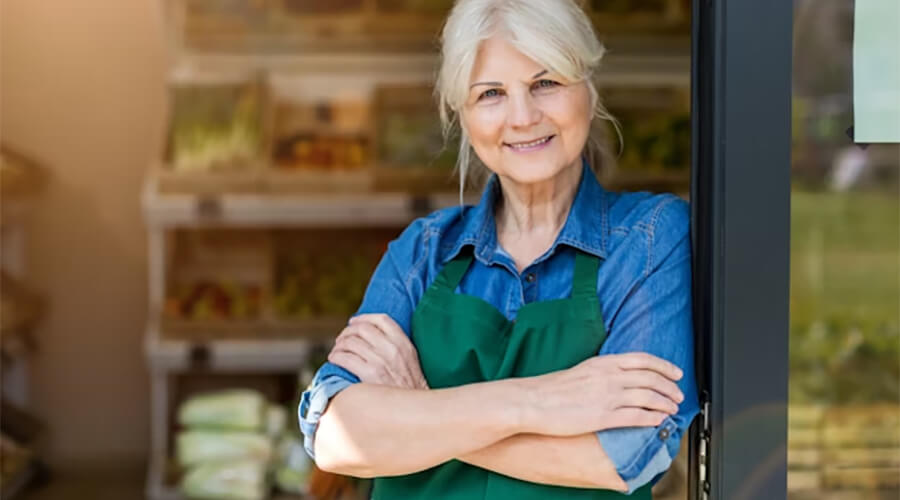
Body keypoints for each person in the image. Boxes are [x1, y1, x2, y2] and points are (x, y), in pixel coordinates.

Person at [298, 0, 699, 498]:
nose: (523, 116)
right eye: (490, 93)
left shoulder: (648, 238)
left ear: (588, 92)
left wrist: (422, 405)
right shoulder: (423, 252)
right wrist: (536, 403)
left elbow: (627, 454)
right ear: (462, 116)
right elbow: (335, 437)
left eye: (546, 83)